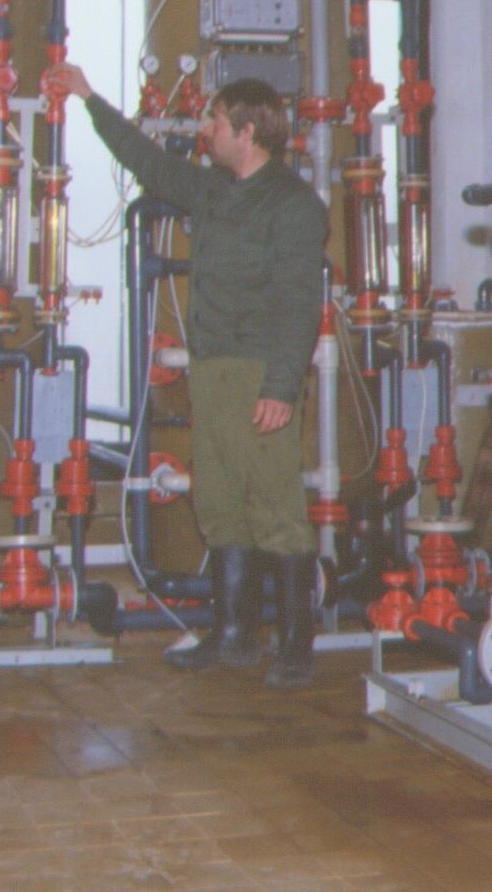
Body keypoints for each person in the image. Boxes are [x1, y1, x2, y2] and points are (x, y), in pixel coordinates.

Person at [48, 63, 328, 688]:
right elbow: (147, 161)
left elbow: (298, 303)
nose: (206, 130)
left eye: (215, 121)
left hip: (260, 373)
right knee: (220, 504)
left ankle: (295, 646)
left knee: (275, 508)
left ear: (247, 132)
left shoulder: (293, 205)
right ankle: (233, 637)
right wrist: (89, 98)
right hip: (212, 370)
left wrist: (281, 387)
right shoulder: (213, 189)